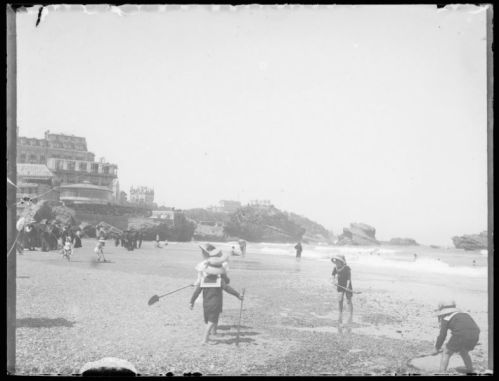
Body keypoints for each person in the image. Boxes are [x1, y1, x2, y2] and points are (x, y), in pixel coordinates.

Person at [190, 244, 243, 344]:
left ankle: (211, 334)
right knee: (212, 321)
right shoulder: (220, 281)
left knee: (208, 320)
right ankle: (205, 339)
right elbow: (228, 288)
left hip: (205, 304)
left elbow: (197, 292)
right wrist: (238, 295)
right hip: (216, 303)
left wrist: (191, 302)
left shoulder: (204, 280)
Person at [433, 301, 480, 373]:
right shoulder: (465, 314)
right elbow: (470, 326)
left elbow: (442, 335)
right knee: (463, 351)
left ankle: (442, 372)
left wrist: (437, 347)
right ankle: (469, 369)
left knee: (446, 352)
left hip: (460, 334)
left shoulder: (446, 318)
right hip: (475, 333)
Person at [331, 254, 353, 326]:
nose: (336, 263)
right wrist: (333, 280)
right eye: (336, 261)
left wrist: (347, 287)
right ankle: (340, 312)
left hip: (347, 285)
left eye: (338, 261)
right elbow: (333, 275)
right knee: (340, 299)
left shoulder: (347, 268)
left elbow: (349, 279)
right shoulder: (335, 268)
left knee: (348, 300)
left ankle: (350, 313)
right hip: (339, 285)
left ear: (342, 262)